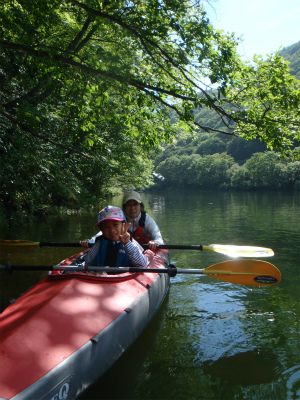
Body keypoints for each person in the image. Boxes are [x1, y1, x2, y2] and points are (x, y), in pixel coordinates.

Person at [80, 191, 164, 252]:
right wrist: (90, 241)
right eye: (128, 205)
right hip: (122, 250)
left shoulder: (147, 220)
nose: (132, 208)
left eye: (135, 204)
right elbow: (104, 231)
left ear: (141, 206)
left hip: (145, 250)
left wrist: (155, 242)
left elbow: (157, 236)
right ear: (124, 207)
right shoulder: (118, 218)